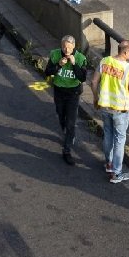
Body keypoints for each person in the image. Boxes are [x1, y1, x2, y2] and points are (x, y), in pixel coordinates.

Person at [89, 40, 129, 184]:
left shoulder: (104, 61)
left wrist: (95, 98)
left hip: (105, 107)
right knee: (119, 141)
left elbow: (93, 82)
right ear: (125, 52)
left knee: (108, 135)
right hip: (120, 110)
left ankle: (108, 164)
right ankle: (116, 173)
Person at [45, 35, 89, 166]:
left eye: (69, 47)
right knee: (60, 115)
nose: (66, 50)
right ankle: (66, 130)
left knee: (71, 122)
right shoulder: (55, 54)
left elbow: (82, 78)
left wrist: (74, 64)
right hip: (59, 91)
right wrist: (59, 65)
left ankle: (67, 150)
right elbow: (47, 72)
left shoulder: (81, 58)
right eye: (63, 46)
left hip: (73, 93)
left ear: (74, 46)